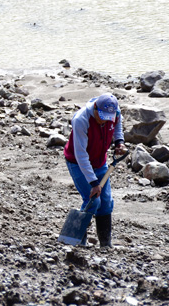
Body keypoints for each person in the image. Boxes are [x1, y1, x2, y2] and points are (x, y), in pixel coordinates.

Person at [63, 93, 127, 247]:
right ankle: (77, 241)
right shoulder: (81, 120)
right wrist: (93, 182)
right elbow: (81, 155)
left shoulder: (114, 112)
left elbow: (118, 123)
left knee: (105, 202)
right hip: (78, 163)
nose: (105, 120)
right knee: (93, 200)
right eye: (102, 116)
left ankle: (105, 244)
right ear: (96, 109)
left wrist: (119, 142)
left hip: (100, 162)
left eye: (108, 117)